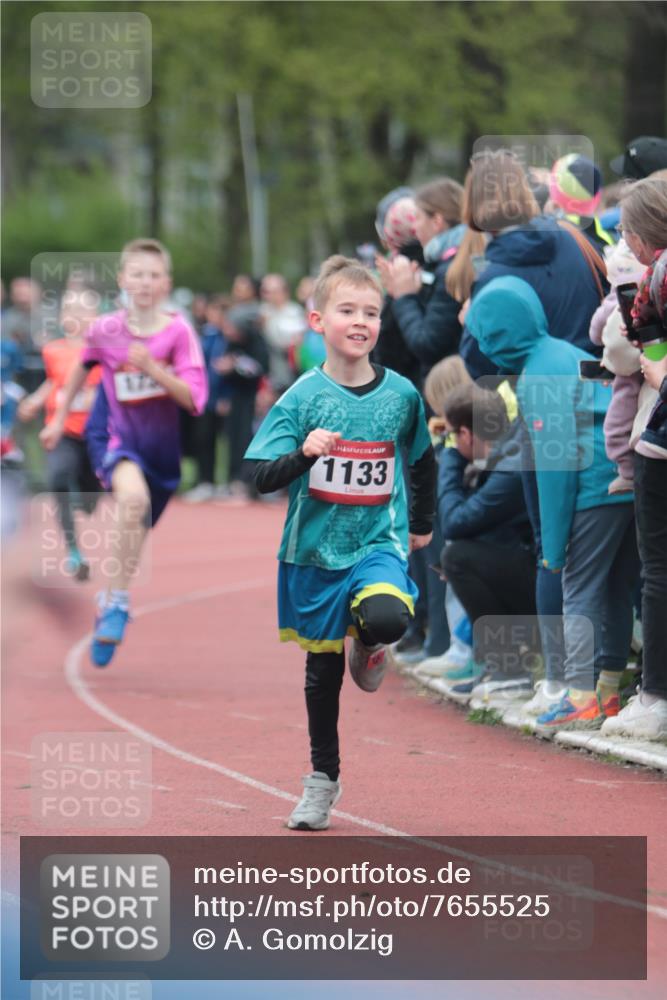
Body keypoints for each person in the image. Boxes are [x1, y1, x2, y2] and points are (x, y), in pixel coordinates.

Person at [245, 255, 436, 831]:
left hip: (377, 541)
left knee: (386, 616)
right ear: (317, 320)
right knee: (321, 676)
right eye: (347, 310)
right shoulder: (303, 397)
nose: (361, 321)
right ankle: (322, 782)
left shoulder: (402, 395)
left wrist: (421, 523)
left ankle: (371, 642)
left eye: (372, 312)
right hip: (315, 553)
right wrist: (303, 453)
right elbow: (255, 475)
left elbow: (423, 462)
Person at [467, 276, 639, 732]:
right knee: (620, 586)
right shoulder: (567, 351)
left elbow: (556, 466)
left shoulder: (537, 375)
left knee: (578, 587)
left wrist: (555, 545)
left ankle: (579, 695)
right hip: (627, 476)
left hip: (590, 485)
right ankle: (607, 692)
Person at [39, 237, 207, 667]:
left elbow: (193, 398)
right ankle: (115, 603)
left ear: (166, 283)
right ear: (123, 280)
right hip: (114, 438)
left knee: (137, 526)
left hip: (163, 453)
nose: (145, 282)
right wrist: (58, 421)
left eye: (153, 275)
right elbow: (81, 368)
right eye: (138, 274)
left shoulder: (178, 333)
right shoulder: (105, 330)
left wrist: (153, 369)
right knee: (132, 502)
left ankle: (113, 595)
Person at [601, 176, 667, 741]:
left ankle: (655, 697)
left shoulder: (654, 274)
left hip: (659, 434)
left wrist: (656, 363)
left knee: (659, 571)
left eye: (628, 229)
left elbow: (625, 351)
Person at [435, 383, 537, 704]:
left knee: (459, 558)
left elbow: (455, 521)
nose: (452, 443)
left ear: (466, 433)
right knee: (464, 556)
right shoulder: (507, 452)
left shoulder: (510, 467)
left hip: (550, 587)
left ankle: (509, 669)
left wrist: (450, 462)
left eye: (452, 436)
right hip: (537, 571)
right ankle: (499, 664)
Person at [18, 287, 102, 579]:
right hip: (61, 429)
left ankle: (90, 498)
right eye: (68, 310)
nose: (73, 316)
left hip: (94, 435)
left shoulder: (102, 351)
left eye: (80, 311)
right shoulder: (53, 349)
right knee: (56, 479)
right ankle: (74, 552)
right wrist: (35, 401)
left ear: (95, 317)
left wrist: (98, 397)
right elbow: (54, 382)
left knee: (91, 496)